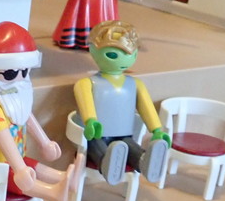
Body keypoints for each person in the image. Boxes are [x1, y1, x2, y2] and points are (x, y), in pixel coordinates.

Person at [0, 21, 83, 201]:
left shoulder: (16, 104)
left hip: (11, 162)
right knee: (20, 173)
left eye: (24, 72)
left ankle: (63, 178)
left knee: (30, 165)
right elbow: (5, 141)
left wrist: (44, 143)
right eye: (10, 74)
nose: (18, 79)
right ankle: (52, 192)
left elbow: (27, 118)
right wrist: (20, 168)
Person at [73, 21, 170, 185]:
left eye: (130, 54)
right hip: (95, 136)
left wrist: (157, 130)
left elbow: (146, 107)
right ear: (93, 50)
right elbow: (85, 104)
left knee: (130, 147)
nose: (123, 59)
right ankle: (107, 164)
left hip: (124, 136)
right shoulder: (86, 84)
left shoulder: (135, 84)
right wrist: (90, 121)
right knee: (100, 148)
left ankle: (144, 162)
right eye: (113, 54)